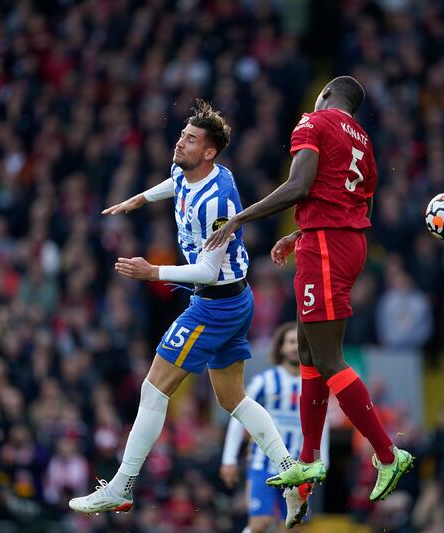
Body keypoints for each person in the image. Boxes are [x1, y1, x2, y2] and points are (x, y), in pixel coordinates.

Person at [69, 100, 310, 519]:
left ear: (210, 152)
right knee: (233, 397)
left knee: (154, 388)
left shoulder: (218, 202)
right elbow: (174, 182)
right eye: (182, 135)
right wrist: (141, 199)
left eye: (191, 139)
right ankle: (291, 474)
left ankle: (122, 486)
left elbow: (208, 271)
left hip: (215, 302)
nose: (180, 143)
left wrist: (152, 272)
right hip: (236, 300)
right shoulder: (193, 172)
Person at [206, 76, 414, 501]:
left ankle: (389, 455)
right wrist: (302, 232)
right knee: (307, 352)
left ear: (323, 94)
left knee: (327, 356)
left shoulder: (313, 122)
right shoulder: (364, 141)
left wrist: (240, 218)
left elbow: (299, 186)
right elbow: (361, 203)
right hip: (343, 241)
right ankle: (307, 456)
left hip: (326, 245)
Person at [220, 322, 330, 530]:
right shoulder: (265, 381)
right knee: (260, 523)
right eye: (290, 342)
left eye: (300, 343)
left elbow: (322, 425)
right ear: (280, 347)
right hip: (264, 464)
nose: (295, 347)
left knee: (293, 527)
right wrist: (228, 459)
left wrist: (324, 460)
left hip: (301, 467)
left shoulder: (316, 385)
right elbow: (239, 417)